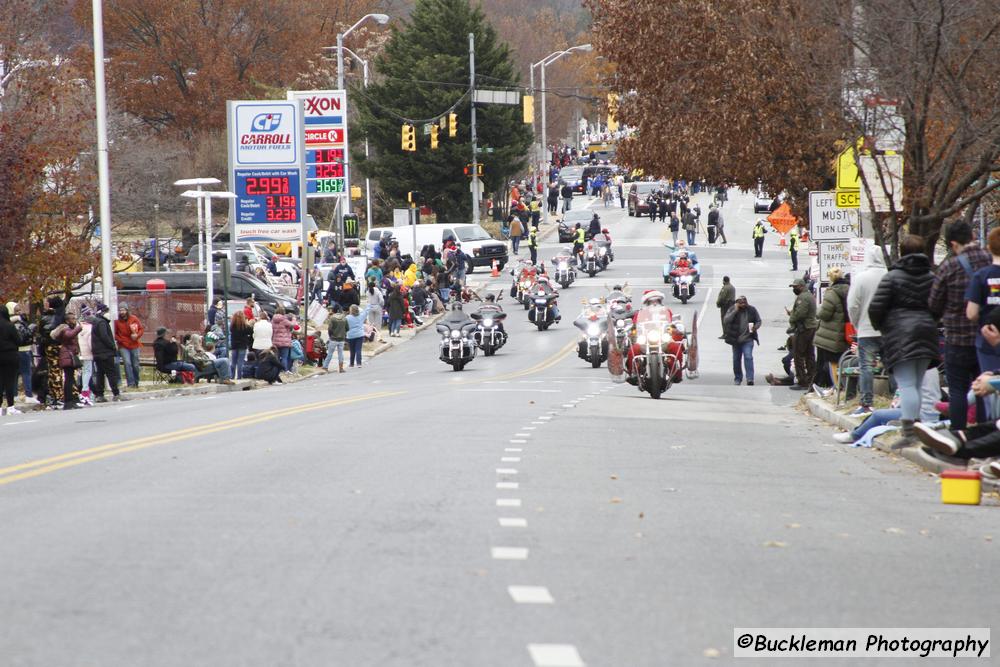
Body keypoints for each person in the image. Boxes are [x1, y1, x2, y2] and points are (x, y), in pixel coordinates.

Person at [868, 234, 939, 443]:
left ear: (901, 251)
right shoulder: (932, 277)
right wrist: (930, 320)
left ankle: (908, 433)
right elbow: (938, 305)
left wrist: (883, 326)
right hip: (926, 331)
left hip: (900, 333)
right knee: (917, 384)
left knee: (906, 384)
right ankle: (917, 428)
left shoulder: (892, 277)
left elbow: (876, 308)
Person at [929, 221, 991, 428]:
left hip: (957, 338)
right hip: (988, 337)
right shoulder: (990, 260)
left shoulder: (949, 267)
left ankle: (958, 434)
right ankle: (984, 433)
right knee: (984, 387)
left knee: (957, 390)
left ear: (954, 244)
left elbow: (934, 304)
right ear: (973, 235)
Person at [847, 243, 889, 416]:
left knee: (866, 367)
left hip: (866, 329)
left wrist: (857, 323)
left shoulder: (861, 278)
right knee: (892, 365)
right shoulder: (890, 276)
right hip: (888, 330)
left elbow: (853, 305)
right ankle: (895, 398)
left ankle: (866, 402)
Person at [965, 227, 1000, 376]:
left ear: (989, 248)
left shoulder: (981, 276)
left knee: (990, 384)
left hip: (988, 336)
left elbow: (971, 313)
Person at [812, 267, 850, 394]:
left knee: (832, 362)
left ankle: (836, 388)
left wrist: (818, 311)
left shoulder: (832, 292)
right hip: (845, 330)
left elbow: (824, 314)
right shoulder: (849, 289)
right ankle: (841, 387)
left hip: (831, 333)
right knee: (842, 360)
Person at [787, 278, 818, 391]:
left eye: (795, 287)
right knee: (810, 354)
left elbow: (800, 313)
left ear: (801, 286)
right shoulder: (809, 295)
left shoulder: (803, 297)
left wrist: (792, 318)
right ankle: (812, 379)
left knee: (798, 355)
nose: (794, 289)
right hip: (811, 328)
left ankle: (802, 381)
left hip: (804, 329)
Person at [723, 296, 761, 385]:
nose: (743, 304)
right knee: (736, 359)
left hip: (748, 338)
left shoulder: (752, 310)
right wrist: (735, 310)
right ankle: (738, 378)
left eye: (745, 302)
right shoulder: (733, 309)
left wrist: (756, 327)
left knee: (748, 357)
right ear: (737, 303)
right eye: (741, 303)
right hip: (735, 339)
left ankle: (750, 378)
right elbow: (726, 320)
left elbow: (758, 320)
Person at [89, 304, 121, 403]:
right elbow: (104, 337)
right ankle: (116, 394)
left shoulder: (95, 322)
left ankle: (100, 395)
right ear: (102, 312)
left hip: (98, 353)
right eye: (106, 311)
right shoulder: (102, 322)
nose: (108, 313)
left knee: (100, 374)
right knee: (111, 373)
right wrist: (112, 345)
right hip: (105, 353)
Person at [54, 311, 83, 409]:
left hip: (70, 355)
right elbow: (69, 336)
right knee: (69, 379)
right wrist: (79, 328)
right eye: (73, 319)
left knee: (70, 379)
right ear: (67, 320)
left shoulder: (69, 329)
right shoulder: (65, 329)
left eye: (75, 318)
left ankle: (71, 401)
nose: (74, 321)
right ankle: (68, 401)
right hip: (67, 356)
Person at [113, 304, 144, 390]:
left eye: (123, 310)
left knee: (135, 364)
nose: (122, 312)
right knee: (127, 363)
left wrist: (137, 335)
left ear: (127, 310)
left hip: (134, 344)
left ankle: (136, 381)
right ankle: (130, 383)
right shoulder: (116, 321)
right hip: (123, 345)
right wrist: (121, 340)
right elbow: (114, 334)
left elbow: (141, 329)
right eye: (120, 310)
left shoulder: (134, 319)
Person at [0, 304, 21, 416]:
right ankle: (10, 407)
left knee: (0, 382)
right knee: (9, 382)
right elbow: (18, 340)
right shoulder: (9, 326)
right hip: (10, 355)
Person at [323, 305, 348, 373]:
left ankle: (325, 366)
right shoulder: (344, 318)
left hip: (333, 338)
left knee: (330, 353)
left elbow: (330, 329)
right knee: (340, 353)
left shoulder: (332, 318)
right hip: (342, 339)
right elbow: (347, 328)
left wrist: (331, 335)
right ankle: (341, 368)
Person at [346, 303, 372, 368]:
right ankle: (359, 363)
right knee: (358, 349)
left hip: (350, 335)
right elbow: (366, 311)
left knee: (352, 350)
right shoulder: (361, 316)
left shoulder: (347, 317)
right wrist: (369, 304)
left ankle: (351, 363)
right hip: (360, 335)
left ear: (351, 310)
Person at [229, 310, 253, 379]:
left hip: (234, 345)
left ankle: (232, 376)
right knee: (240, 362)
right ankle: (239, 376)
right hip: (242, 345)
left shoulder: (232, 326)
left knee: (233, 362)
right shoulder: (245, 327)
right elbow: (251, 331)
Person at [271, 305, 295, 371]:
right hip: (285, 342)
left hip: (275, 341)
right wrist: (294, 319)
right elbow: (293, 324)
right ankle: (284, 370)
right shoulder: (284, 320)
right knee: (284, 357)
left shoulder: (273, 320)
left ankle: (277, 370)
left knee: (277, 357)